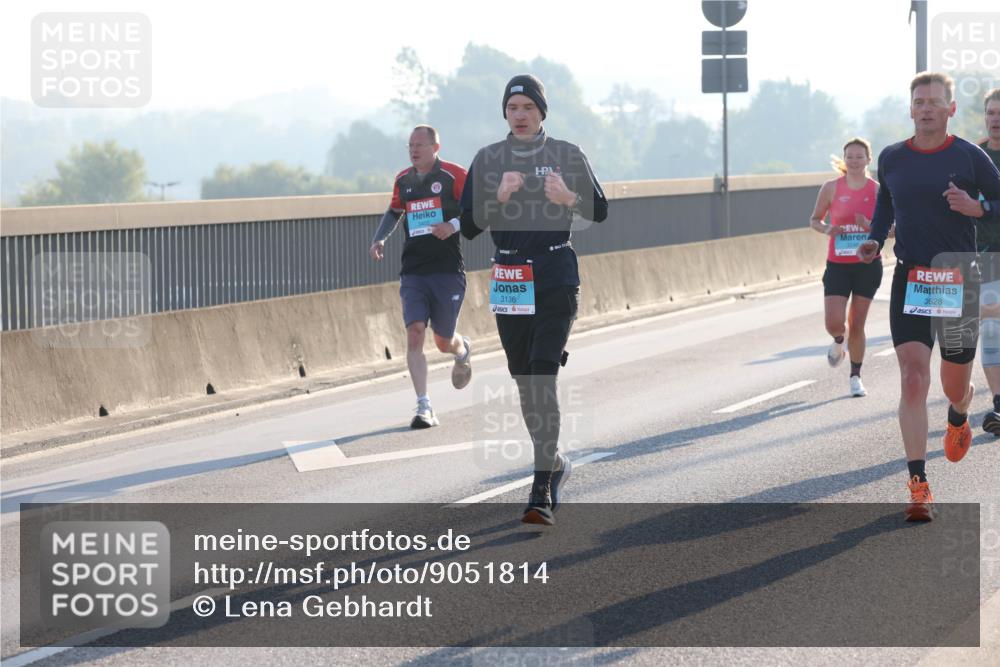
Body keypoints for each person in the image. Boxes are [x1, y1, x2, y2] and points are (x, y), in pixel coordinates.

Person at [460, 74, 608, 525]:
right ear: (504, 114)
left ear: (542, 111)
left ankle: (541, 487)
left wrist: (569, 197)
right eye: (512, 108)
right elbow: (468, 226)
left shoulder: (567, 153)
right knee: (526, 382)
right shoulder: (488, 159)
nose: (520, 115)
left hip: (555, 273)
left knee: (543, 375)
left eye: (528, 107)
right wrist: (498, 196)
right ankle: (556, 462)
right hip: (508, 275)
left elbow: (598, 210)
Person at [857, 72, 1000, 522]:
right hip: (911, 278)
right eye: (919, 101)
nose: (926, 108)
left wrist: (979, 209)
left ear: (952, 108)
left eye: (936, 101)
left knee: (952, 385)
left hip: (958, 276)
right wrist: (875, 241)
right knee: (913, 378)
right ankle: (918, 485)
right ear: (911, 107)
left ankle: (960, 409)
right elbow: (885, 204)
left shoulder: (969, 155)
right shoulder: (893, 157)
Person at [370, 125, 472, 429]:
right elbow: (394, 211)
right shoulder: (404, 180)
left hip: (447, 271)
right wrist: (380, 238)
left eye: (420, 145)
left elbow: (477, 212)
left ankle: (462, 348)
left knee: (443, 341)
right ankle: (423, 405)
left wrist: (452, 225)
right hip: (413, 270)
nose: (414, 150)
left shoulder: (454, 176)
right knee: (415, 332)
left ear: (435, 147)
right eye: (410, 146)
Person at [809, 137, 882, 397]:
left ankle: (855, 377)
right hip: (838, 265)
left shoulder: (877, 190)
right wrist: (829, 228)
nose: (854, 161)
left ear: (868, 160)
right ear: (844, 159)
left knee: (858, 323)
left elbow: (894, 230)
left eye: (859, 156)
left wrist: (868, 227)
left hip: (867, 265)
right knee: (834, 322)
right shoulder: (831, 188)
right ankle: (840, 340)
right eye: (849, 156)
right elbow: (815, 220)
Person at [975, 88, 1000, 435]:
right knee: (991, 329)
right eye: (991, 112)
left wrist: (984, 208)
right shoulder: (973, 157)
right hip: (985, 256)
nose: (996, 119)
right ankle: (999, 403)